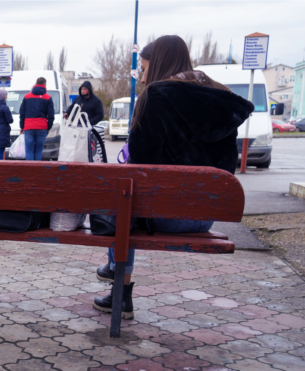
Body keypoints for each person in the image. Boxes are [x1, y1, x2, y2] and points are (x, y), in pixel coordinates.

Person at [93, 35, 253, 318]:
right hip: (206, 216)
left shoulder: (156, 95)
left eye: (144, 69)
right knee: (131, 199)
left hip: (169, 216)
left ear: (158, 64)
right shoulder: (220, 97)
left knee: (125, 198)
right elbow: (227, 164)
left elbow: (140, 167)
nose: (143, 78)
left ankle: (120, 289)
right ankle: (115, 272)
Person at [18, 77, 55, 161]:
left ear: (36, 84)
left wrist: (22, 126)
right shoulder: (48, 97)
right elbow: (51, 115)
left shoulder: (26, 97)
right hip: (42, 127)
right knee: (38, 150)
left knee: (29, 150)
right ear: (45, 84)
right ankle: (37, 168)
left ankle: (29, 168)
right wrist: (48, 127)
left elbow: (22, 113)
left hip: (29, 127)